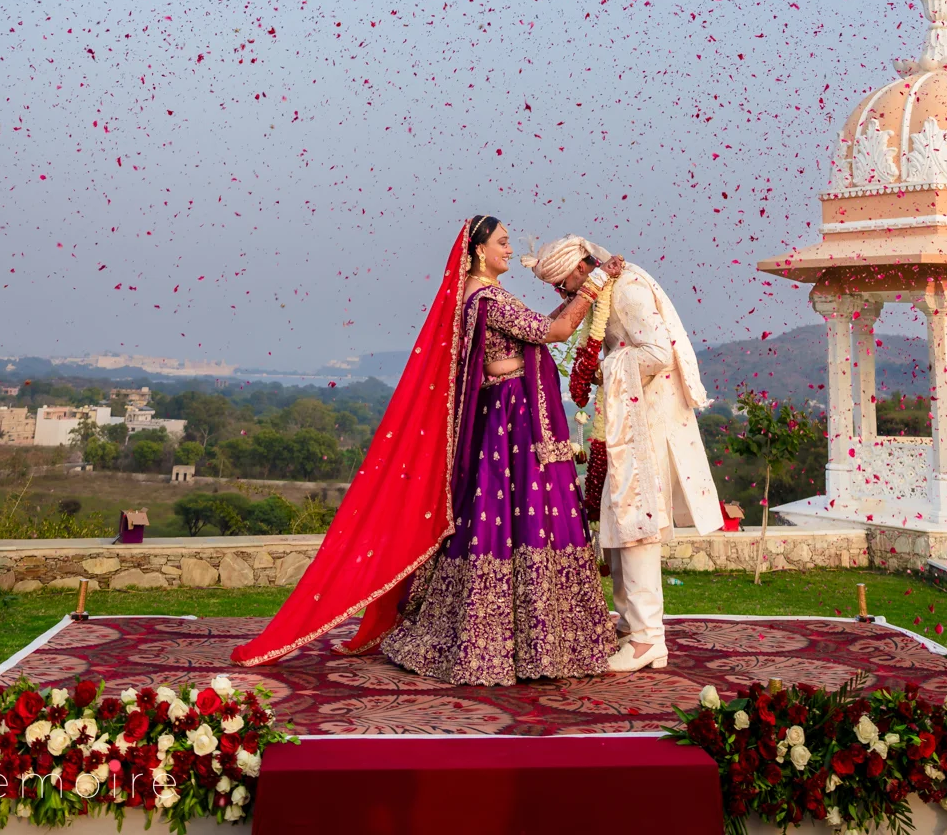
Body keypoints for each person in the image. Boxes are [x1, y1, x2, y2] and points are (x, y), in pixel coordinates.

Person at [231, 216, 618, 685]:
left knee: (516, 521)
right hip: (510, 428)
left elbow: (541, 332)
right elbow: (554, 333)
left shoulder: (480, 296)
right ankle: (504, 642)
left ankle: (532, 640)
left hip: (511, 420)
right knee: (512, 521)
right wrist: (595, 282)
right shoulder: (486, 299)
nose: (510, 251)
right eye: (502, 243)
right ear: (477, 251)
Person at [523, 236, 722, 673]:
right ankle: (634, 625)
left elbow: (657, 353)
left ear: (580, 268)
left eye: (564, 285)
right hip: (627, 419)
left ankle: (649, 637)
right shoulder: (605, 289)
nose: (565, 295)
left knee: (637, 520)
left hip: (646, 423)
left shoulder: (627, 288)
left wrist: (602, 368)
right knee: (619, 516)